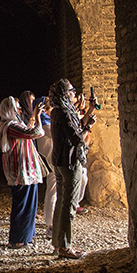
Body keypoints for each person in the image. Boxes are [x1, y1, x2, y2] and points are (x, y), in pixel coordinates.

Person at [48, 79, 97, 259]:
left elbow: (74, 129)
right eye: (71, 90)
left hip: (59, 161)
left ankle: (57, 243)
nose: (74, 93)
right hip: (69, 162)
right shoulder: (64, 113)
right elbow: (77, 138)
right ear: (64, 93)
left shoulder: (58, 111)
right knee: (69, 205)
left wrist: (89, 112)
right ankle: (65, 247)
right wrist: (88, 127)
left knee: (61, 202)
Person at [0, 96, 45, 249]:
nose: (19, 110)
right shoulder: (10, 126)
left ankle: (27, 236)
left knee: (29, 204)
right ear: (10, 109)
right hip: (22, 171)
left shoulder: (10, 125)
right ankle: (19, 239)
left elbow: (28, 129)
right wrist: (37, 116)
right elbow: (35, 133)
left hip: (25, 171)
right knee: (24, 205)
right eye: (17, 108)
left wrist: (32, 118)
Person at [34, 96, 58, 236]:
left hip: (49, 158)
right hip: (51, 159)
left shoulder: (44, 121)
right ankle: (50, 224)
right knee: (52, 191)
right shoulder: (46, 124)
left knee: (53, 190)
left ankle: (50, 222)